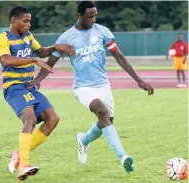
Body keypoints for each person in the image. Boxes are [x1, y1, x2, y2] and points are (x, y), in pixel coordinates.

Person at [29, 1, 154, 173]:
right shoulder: (66, 37)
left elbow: (119, 56)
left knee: (107, 122)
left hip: (103, 85)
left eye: (95, 15)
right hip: (83, 88)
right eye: (90, 16)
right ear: (78, 16)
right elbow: (51, 61)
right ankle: (123, 157)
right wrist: (37, 80)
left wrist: (138, 80)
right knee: (101, 111)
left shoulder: (102, 31)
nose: (93, 19)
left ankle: (84, 140)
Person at [0, 6, 74, 181]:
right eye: (25, 21)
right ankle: (24, 166)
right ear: (14, 21)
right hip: (14, 87)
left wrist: (55, 47)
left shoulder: (28, 37)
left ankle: (19, 154)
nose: (29, 24)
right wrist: (33, 59)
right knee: (29, 119)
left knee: (53, 119)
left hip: (29, 86)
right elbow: (6, 59)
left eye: (30, 21)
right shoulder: (2, 39)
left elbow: (41, 52)